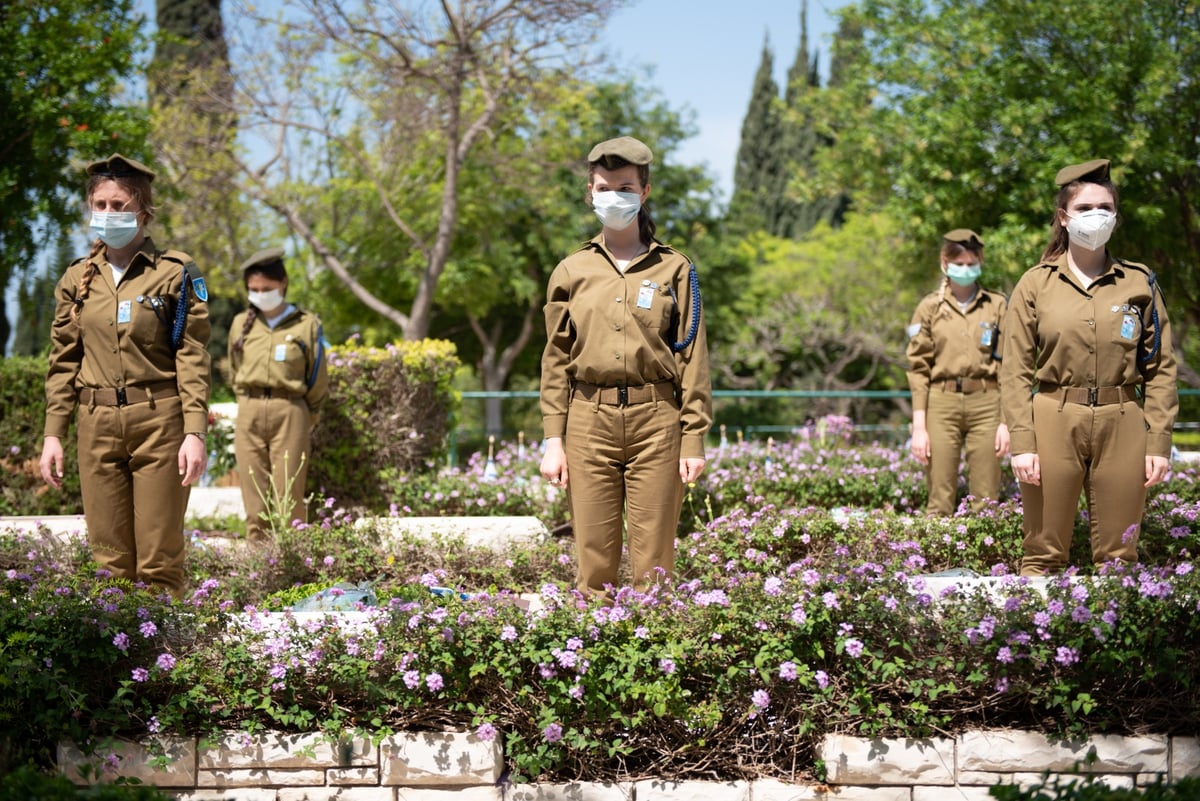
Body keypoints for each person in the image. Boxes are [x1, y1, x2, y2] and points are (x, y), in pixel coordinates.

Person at [539, 135, 713, 598]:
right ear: (589, 194)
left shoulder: (675, 269)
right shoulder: (571, 271)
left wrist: (693, 438)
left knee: (653, 563)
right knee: (594, 559)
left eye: (625, 187)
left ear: (645, 192)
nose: (613, 196)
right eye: (603, 187)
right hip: (587, 419)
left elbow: (693, 358)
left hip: (657, 420)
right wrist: (553, 440)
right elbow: (555, 359)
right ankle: (595, 655)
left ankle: (654, 652)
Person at [40, 154, 211, 600]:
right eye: (101, 204)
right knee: (108, 563)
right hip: (96, 425)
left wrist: (195, 431)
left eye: (120, 205)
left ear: (144, 211)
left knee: (158, 559)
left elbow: (192, 356)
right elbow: (63, 361)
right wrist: (53, 434)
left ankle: (162, 660)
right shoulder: (77, 279)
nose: (109, 214)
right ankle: (116, 660)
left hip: (160, 422)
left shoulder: (174, 273)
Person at [1001, 159, 1178, 575]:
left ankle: (1111, 638)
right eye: (1084, 209)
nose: (1095, 215)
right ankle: (1028, 635)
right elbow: (1014, 370)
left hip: (1124, 420)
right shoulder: (1035, 283)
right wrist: (1022, 441)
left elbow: (1161, 368)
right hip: (1052, 417)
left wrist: (1158, 442)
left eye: (1104, 207)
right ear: (1063, 217)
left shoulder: (1139, 282)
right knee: (1042, 554)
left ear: (1115, 216)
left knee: (1119, 557)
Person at [905, 229, 1010, 516]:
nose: (965, 269)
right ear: (945, 263)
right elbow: (918, 369)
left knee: (987, 499)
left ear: (980, 263)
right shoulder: (929, 308)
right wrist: (919, 427)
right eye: (959, 263)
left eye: (971, 263)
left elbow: (1009, 365)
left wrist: (1005, 421)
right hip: (942, 401)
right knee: (939, 497)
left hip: (987, 402)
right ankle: (935, 559)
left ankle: (985, 560)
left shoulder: (997, 305)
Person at [228, 247, 329, 542]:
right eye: (254, 289)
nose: (260, 294)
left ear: (283, 283)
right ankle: (259, 565)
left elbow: (318, 374)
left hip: (291, 410)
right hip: (249, 409)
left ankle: (292, 561)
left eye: (267, 288)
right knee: (253, 494)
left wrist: (310, 412)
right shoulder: (240, 324)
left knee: (289, 493)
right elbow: (235, 371)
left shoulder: (306, 324)